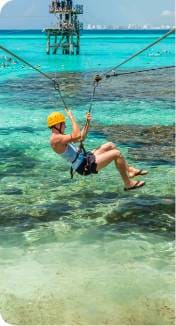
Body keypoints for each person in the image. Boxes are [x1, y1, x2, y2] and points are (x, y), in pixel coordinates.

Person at [47, 110, 148, 191]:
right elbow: (76, 135)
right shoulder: (55, 139)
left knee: (110, 145)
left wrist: (88, 122)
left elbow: (80, 138)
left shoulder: (60, 136)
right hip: (83, 166)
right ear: (57, 125)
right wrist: (71, 117)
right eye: (63, 123)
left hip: (85, 157)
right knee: (116, 154)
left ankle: (129, 170)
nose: (65, 125)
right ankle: (128, 184)